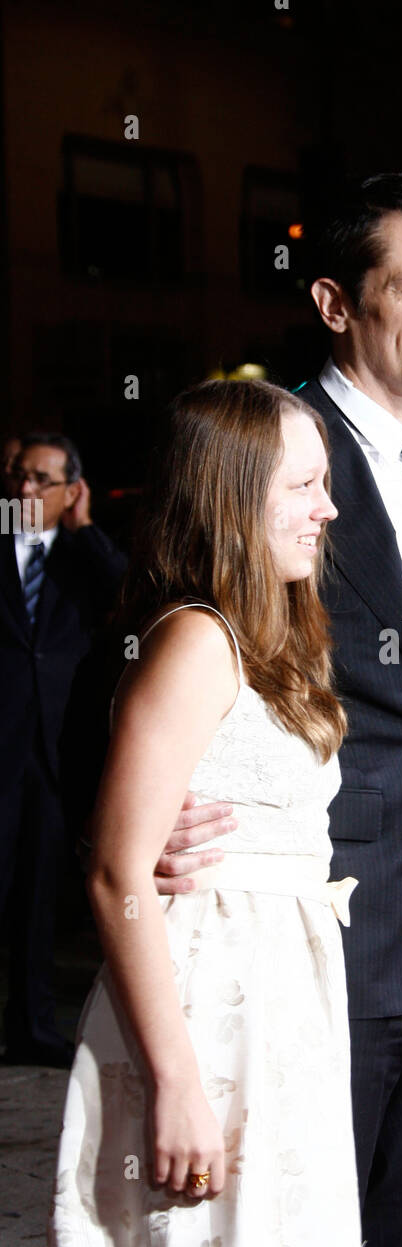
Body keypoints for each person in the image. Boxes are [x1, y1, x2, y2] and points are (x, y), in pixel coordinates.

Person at [147, 173, 402, 1247]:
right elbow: (154, 639)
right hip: (311, 941)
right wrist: (137, 830)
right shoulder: (276, 458)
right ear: (339, 304)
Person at [48, 380, 363, 1247]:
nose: (328, 507)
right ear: (234, 493)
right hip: (205, 1019)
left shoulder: (271, 640)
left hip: (274, 1012)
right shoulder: (194, 640)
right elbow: (116, 872)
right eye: (305, 485)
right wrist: (178, 1081)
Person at [1, 432, 126, 1067]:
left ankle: (30, 1025)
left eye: (42, 479)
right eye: (20, 475)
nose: (25, 489)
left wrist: (83, 526)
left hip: (52, 755)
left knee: (38, 898)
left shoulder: (81, 559)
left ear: (70, 490)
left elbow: (129, 595)